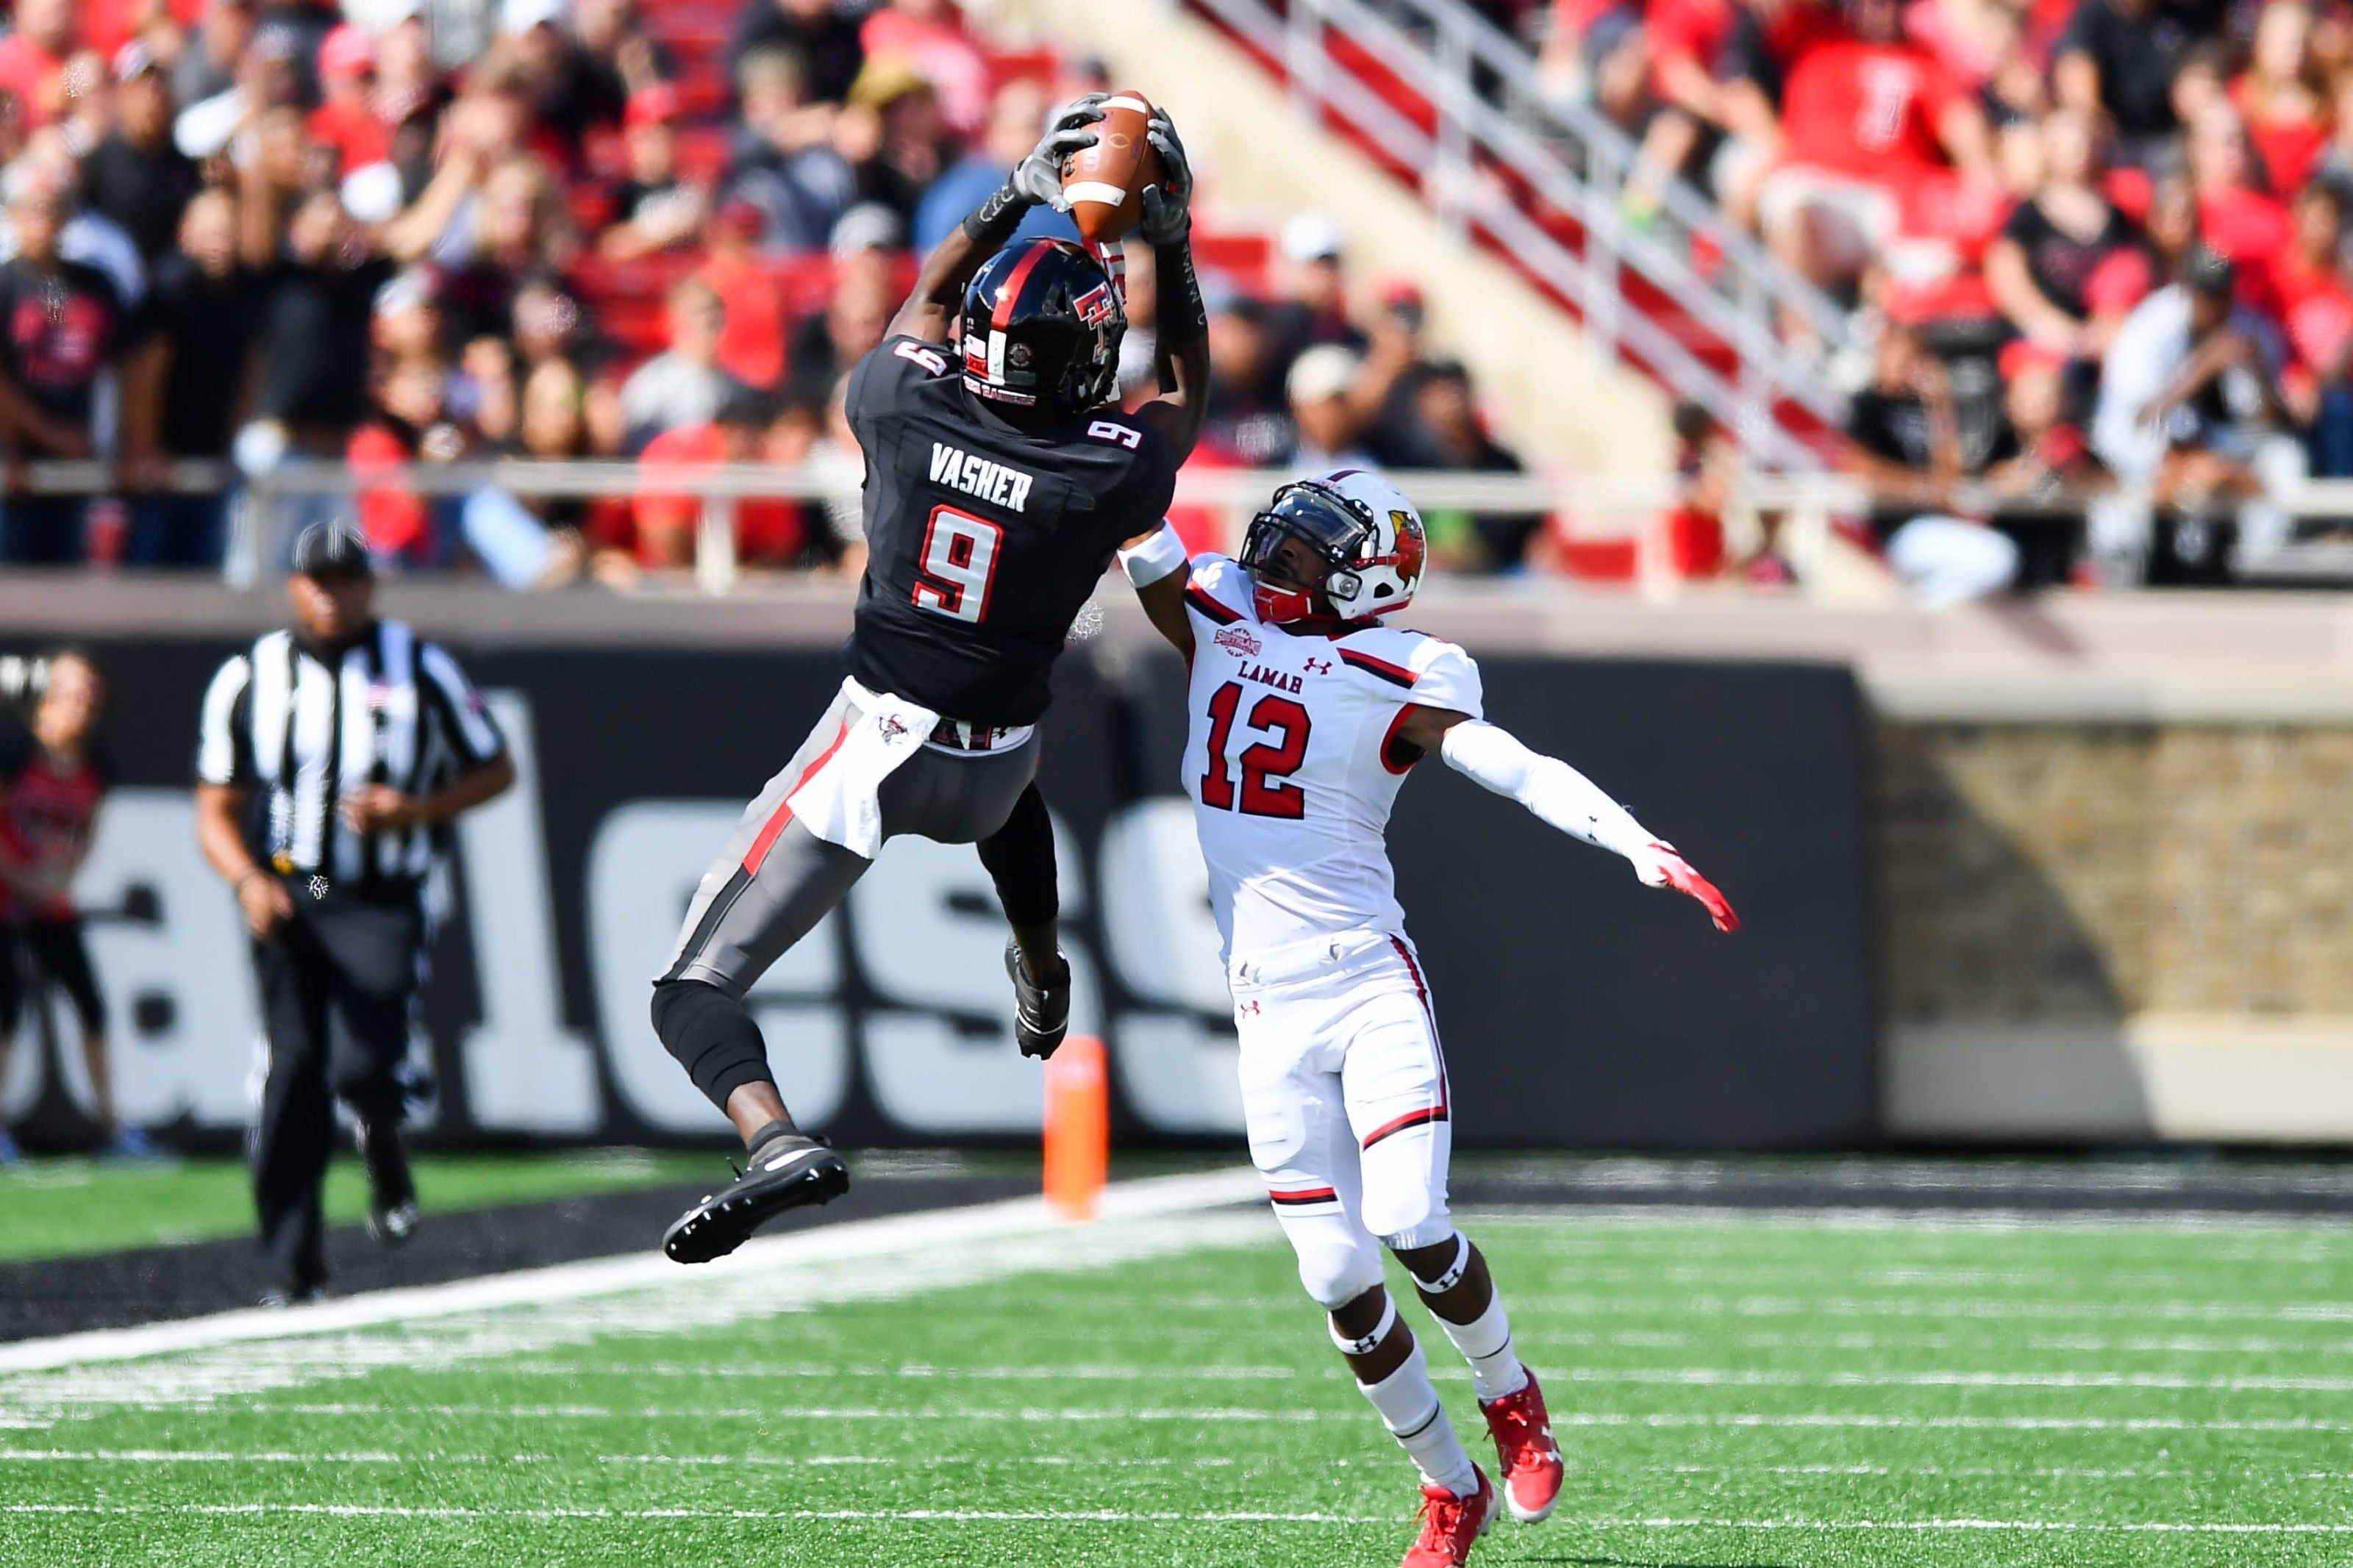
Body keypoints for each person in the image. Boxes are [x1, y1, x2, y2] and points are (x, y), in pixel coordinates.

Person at [1117, 470, 1737, 1568]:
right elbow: (1133, 517)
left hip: (1364, 981)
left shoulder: (1399, 667)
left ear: (1362, 580)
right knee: (1333, 1278)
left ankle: (1513, 1396)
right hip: (1263, 1002)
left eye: (1304, 557)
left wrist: (1629, 838)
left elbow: (1506, 763)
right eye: (1278, 541)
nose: (1275, 565)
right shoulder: (1217, 605)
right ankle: (1450, 1487)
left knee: (1410, 1217)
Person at [654, 93, 1209, 1264]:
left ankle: (771, 1142)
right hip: (997, 760)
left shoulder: (901, 402)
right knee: (1011, 801)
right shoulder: (1106, 473)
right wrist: (1176, 241)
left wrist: (1013, 189)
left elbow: (925, 301)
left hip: (877, 748)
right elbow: (1182, 402)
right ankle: (1044, 964)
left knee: (691, 991)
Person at [194, 521, 518, 1305]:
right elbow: (215, 805)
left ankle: (382, 1137)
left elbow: (495, 766)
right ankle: (289, 1266)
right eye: (316, 579)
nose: (329, 594)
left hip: (377, 893)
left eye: (344, 579)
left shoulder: (420, 667)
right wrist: (245, 880)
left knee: (364, 1064)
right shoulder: (251, 675)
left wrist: (415, 811)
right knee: (293, 1073)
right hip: (296, 892)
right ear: (294, 587)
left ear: (368, 585)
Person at [0, 651, 150, 1160]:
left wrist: (58, 880)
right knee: (6, 1009)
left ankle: (113, 1124)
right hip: (6, 895)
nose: (80, 704)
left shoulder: (94, 763)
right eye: (70, 691)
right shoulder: (15, 749)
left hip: (50, 900)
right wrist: (23, 878)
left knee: (91, 1004)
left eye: (89, 693)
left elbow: (87, 833)